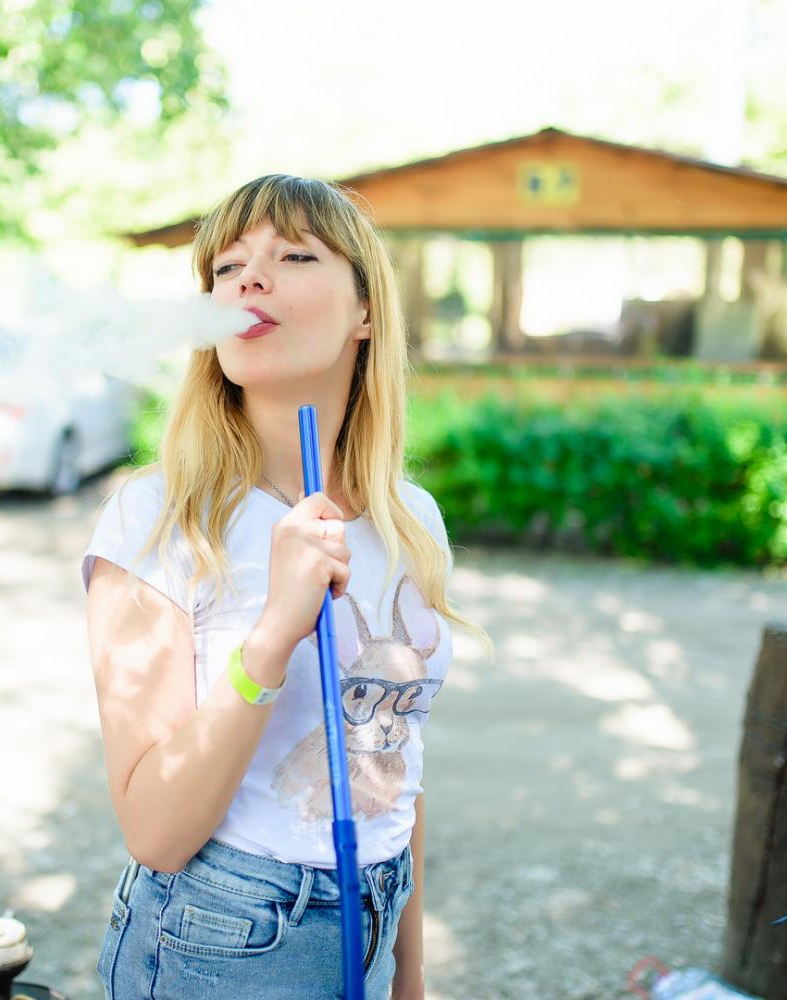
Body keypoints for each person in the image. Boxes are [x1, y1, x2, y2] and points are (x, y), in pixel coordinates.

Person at [81, 175, 495, 1000]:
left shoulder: (411, 520)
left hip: (377, 913)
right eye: (227, 268)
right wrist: (273, 632)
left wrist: (409, 977)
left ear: (366, 311)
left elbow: (393, 765)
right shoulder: (158, 519)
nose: (249, 281)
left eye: (294, 256)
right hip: (224, 938)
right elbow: (155, 831)